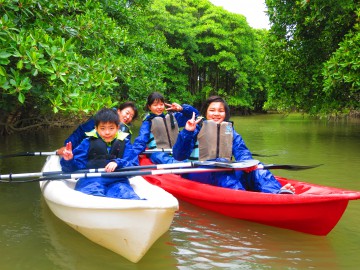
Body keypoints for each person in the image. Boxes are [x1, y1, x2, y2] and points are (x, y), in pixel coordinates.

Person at [172, 95, 295, 194]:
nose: (216, 114)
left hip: (223, 170)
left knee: (257, 166)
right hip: (198, 172)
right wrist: (187, 131)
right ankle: (242, 196)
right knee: (222, 171)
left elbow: (243, 153)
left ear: (225, 114)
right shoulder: (195, 130)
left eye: (221, 111)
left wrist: (249, 165)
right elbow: (179, 156)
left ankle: (277, 192)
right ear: (205, 113)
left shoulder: (231, 132)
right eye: (212, 110)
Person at [60, 108, 141, 199]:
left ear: (118, 128)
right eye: (102, 128)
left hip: (117, 181)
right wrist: (69, 160)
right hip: (91, 180)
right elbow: (72, 169)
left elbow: (134, 167)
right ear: (96, 128)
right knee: (93, 194)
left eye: (111, 128)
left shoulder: (125, 143)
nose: (107, 132)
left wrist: (118, 163)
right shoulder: (87, 142)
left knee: (126, 194)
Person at [132, 92, 199, 164]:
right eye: (155, 105)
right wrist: (132, 154)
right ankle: (179, 164)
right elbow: (141, 140)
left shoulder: (173, 117)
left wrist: (182, 109)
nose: (159, 107)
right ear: (149, 107)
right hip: (158, 152)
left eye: (161, 104)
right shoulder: (148, 122)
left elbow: (195, 115)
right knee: (158, 156)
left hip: (176, 151)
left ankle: (181, 162)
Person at [57, 101, 138, 155]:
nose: (128, 117)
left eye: (131, 116)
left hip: (110, 160)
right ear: (119, 111)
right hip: (88, 152)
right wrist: (68, 145)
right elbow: (81, 131)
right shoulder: (101, 118)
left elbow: (126, 150)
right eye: (127, 113)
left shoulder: (126, 131)